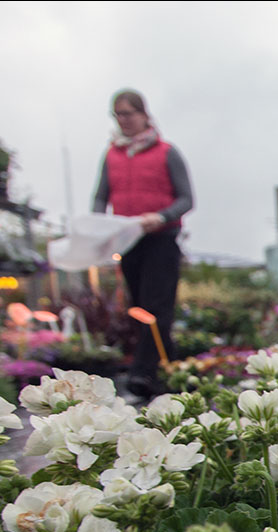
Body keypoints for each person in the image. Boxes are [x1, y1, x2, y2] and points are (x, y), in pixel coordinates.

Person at [92, 89, 193, 399]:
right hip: (129, 241)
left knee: (156, 307)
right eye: (117, 115)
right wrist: (98, 224)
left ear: (144, 115)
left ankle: (143, 375)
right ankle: (172, 369)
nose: (123, 120)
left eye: (128, 114)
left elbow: (186, 199)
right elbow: (100, 196)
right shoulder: (112, 155)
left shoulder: (166, 152)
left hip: (160, 239)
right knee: (138, 308)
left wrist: (161, 216)